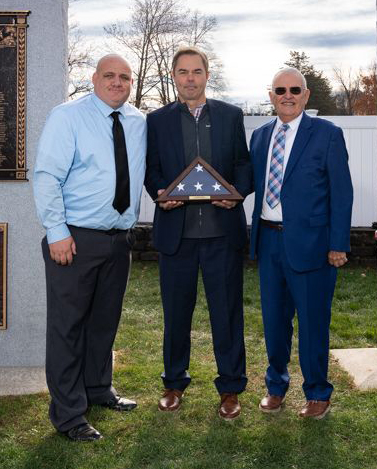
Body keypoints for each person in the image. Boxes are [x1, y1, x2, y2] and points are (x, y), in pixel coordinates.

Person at [33, 54, 146, 441]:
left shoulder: (138, 122)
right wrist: (56, 230)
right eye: (109, 76)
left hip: (119, 240)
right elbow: (47, 175)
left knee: (103, 323)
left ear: (132, 82)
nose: (117, 82)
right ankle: (69, 414)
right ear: (94, 78)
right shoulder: (67, 117)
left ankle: (98, 389)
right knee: (68, 327)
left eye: (124, 77)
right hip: (75, 239)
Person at [144, 46, 252, 420]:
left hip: (222, 234)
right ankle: (173, 383)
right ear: (173, 76)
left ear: (208, 75)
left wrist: (236, 196)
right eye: (183, 72)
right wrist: (160, 193)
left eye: (196, 71)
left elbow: (242, 164)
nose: (190, 78)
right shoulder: (156, 120)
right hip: (177, 236)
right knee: (176, 314)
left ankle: (231, 388)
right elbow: (152, 169)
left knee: (227, 315)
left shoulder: (230, 115)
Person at [249, 67, 353, 419]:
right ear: (271, 95)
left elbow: (342, 193)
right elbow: (250, 182)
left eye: (295, 89)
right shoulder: (261, 136)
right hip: (269, 242)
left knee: (312, 323)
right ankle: (275, 386)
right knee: (274, 323)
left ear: (306, 95)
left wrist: (338, 244)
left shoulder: (326, 134)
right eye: (280, 89)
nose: (287, 95)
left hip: (312, 246)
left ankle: (318, 392)